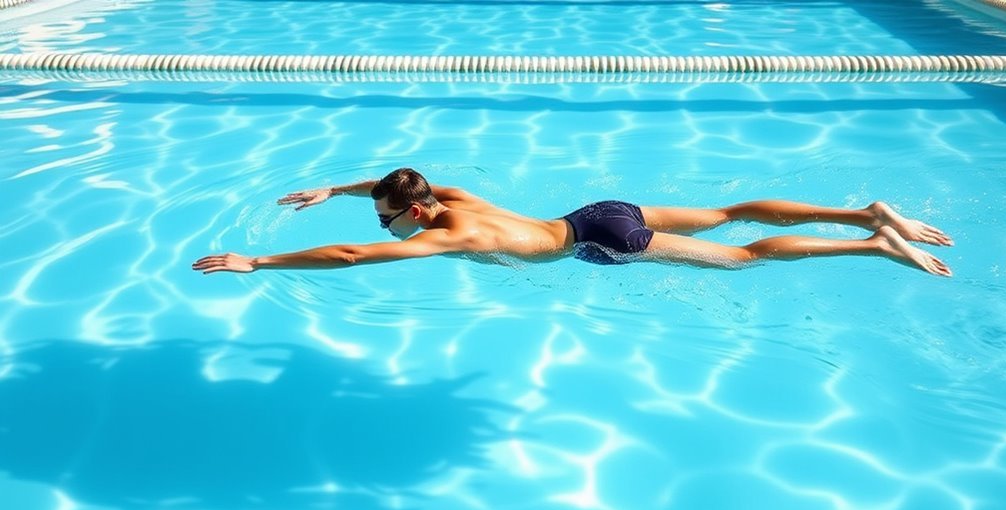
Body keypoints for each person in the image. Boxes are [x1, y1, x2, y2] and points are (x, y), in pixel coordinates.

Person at [192, 167, 953, 277]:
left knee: (744, 255)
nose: (388, 224)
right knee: (728, 211)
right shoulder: (446, 194)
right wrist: (336, 187)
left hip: (602, 237)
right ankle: (867, 207)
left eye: (394, 217)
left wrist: (260, 264)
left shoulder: (449, 231)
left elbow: (357, 255)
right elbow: (386, 192)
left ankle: (871, 243)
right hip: (596, 208)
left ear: (418, 213)